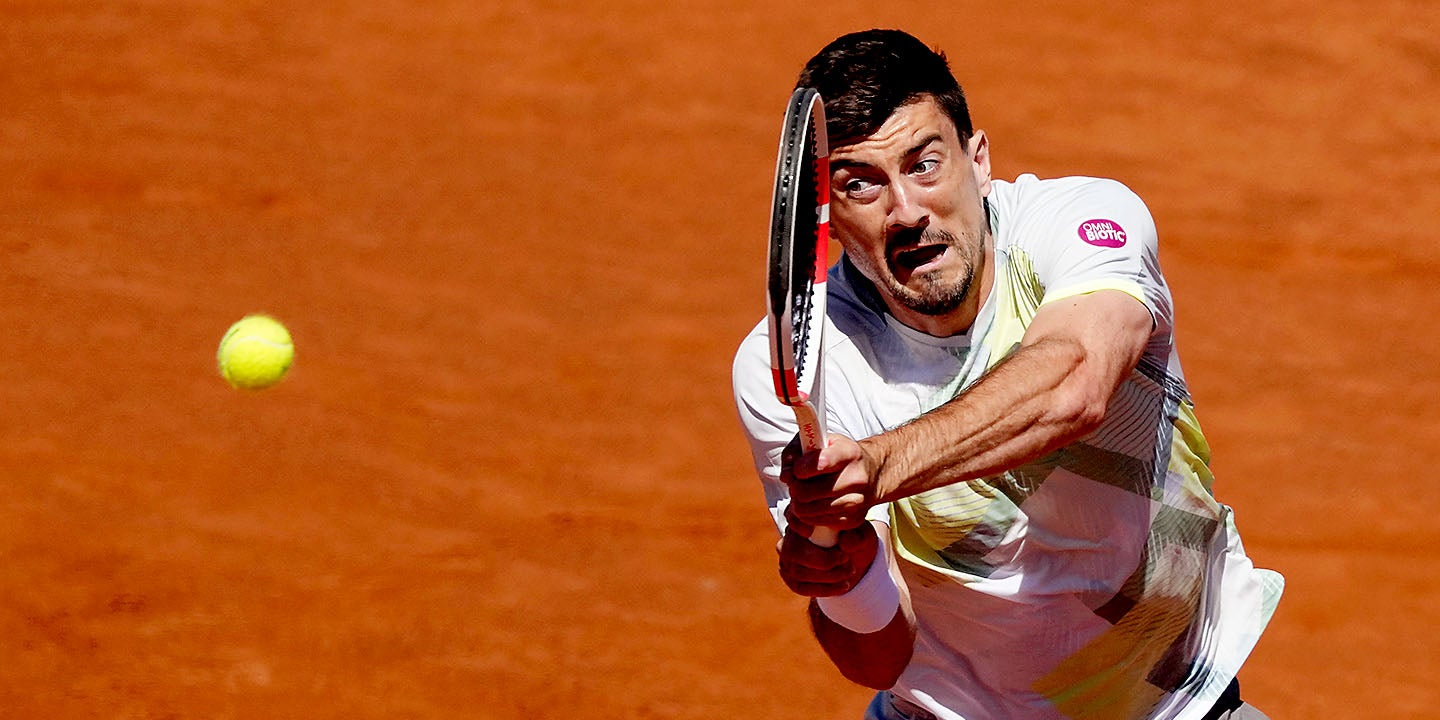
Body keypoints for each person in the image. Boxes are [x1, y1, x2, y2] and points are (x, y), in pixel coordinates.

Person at [731, 29, 1283, 720]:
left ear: (979, 160)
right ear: (828, 219)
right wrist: (847, 578)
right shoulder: (794, 367)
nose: (906, 211)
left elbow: (1074, 384)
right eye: (861, 184)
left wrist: (879, 465)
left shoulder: (1085, 221)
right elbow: (878, 660)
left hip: (1179, 705)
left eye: (924, 165)